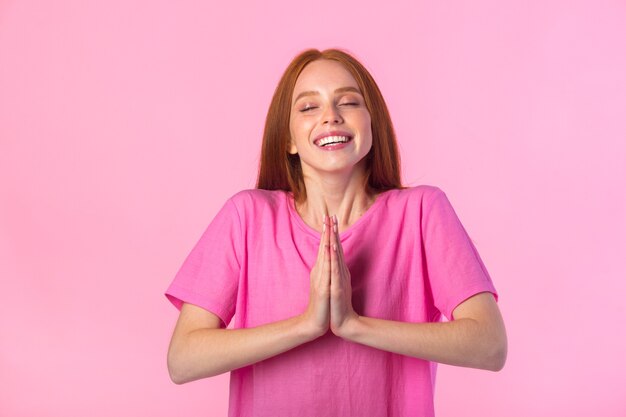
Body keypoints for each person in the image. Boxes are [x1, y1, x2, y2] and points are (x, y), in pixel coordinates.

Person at [164, 48, 507, 417]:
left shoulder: (423, 212)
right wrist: (305, 326)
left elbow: (490, 346)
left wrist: (354, 325)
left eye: (349, 102)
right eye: (309, 107)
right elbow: (183, 360)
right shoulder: (247, 217)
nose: (331, 116)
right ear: (289, 140)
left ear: (372, 124)